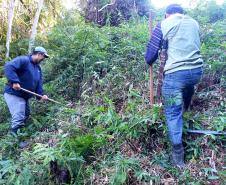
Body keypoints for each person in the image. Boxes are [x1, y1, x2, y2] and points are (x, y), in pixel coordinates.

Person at [145, 4, 203, 167]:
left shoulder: (164, 24)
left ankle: (178, 155)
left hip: (175, 76)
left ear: (166, 14)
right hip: (196, 73)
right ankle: (186, 107)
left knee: (172, 112)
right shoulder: (194, 23)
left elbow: (150, 56)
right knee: (187, 86)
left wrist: (149, 59)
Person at [4, 46, 49, 134]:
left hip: (24, 96)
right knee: (19, 115)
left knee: (26, 114)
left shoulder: (38, 68)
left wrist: (41, 96)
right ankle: (15, 140)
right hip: (14, 94)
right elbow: (9, 66)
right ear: (39, 54)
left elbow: (38, 84)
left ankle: (21, 133)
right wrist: (15, 81)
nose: (43, 59)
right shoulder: (24, 60)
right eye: (43, 56)